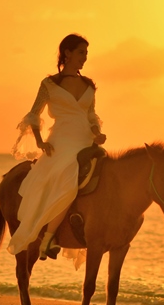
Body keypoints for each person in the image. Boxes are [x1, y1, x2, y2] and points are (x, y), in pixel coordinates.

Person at [7, 34, 106, 260]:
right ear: (67, 53)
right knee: (69, 176)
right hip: (62, 141)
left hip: (86, 141)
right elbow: (34, 114)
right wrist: (40, 141)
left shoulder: (89, 85)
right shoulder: (49, 84)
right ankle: (49, 237)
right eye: (81, 53)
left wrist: (97, 133)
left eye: (87, 54)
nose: (85, 58)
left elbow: (91, 115)